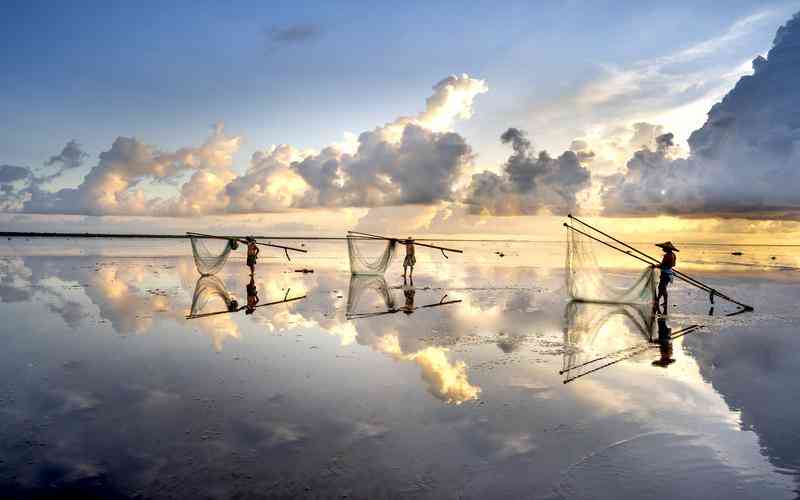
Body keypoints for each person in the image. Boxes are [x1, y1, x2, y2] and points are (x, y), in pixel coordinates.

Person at [654, 241, 678, 314]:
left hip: (665, 274)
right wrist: (665, 266)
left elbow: (662, 265)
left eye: (663, 248)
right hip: (669, 273)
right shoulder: (673, 254)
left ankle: (658, 301)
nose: (662, 249)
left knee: (661, 288)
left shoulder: (667, 255)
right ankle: (663, 302)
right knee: (663, 288)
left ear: (667, 249)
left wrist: (655, 266)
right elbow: (673, 265)